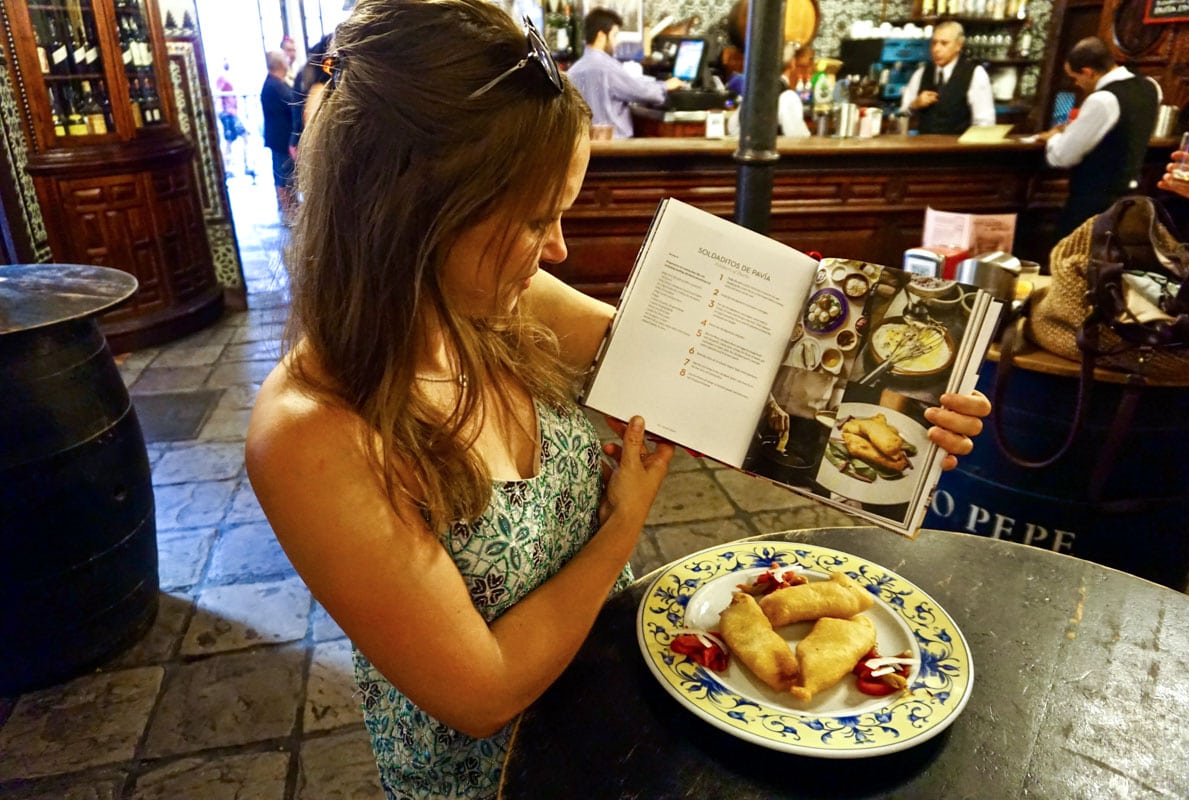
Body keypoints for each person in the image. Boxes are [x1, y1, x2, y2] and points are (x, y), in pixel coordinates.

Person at [244, 2, 991, 798]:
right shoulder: (310, 433)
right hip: (505, 778)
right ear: (414, 214)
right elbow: (482, 693)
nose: (558, 250)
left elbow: (719, 379)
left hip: (620, 715)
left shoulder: (495, 296)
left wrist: (908, 414)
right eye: (537, 220)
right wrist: (621, 525)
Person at [1034, 37, 1160, 239]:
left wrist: (1053, 137)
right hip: (1129, 200)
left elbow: (1062, 157)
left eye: (1076, 78)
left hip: (1093, 204)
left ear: (1088, 72)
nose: (1077, 84)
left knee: (1070, 264)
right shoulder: (1150, 87)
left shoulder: (1102, 99)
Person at [566, 8, 683, 139]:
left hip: (586, 149)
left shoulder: (573, 71)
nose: (617, 42)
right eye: (614, 35)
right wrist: (666, 86)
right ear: (601, 36)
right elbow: (641, 91)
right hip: (616, 148)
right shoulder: (607, 67)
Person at [720, 0, 809, 137]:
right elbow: (799, 141)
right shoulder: (788, 99)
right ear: (793, 64)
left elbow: (733, 128)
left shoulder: (751, 98)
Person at [900, 21, 995, 135]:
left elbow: (985, 124)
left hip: (958, 149)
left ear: (958, 45)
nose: (936, 49)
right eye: (934, 43)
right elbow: (903, 114)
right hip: (924, 148)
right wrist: (914, 105)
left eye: (944, 43)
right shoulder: (921, 73)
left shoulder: (975, 74)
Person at [260, 49, 296, 218]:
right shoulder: (275, 86)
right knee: (284, 177)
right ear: (281, 64)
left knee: (288, 175)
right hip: (282, 139)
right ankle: (289, 212)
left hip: (282, 138)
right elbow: (291, 105)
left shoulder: (276, 83)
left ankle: (292, 210)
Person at [214, 60, 243, 163]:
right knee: (229, 139)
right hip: (227, 112)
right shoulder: (222, 77)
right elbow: (218, 93)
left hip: (231, 111)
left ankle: (242, 163)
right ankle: (227, 164)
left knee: (240, 135)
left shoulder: (228, 76)